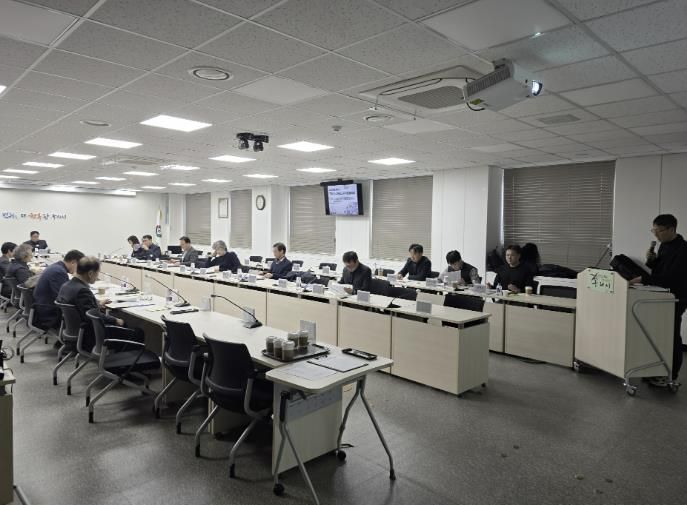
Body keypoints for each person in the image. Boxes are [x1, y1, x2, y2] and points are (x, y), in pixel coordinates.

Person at [631, 214, 687, 386]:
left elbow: (671, 278)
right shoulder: (663, 245)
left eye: (659, 231)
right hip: (659, 295)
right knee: (657, 334)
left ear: (671, 229)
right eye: (653, 230)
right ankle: (657, 370)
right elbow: (658, 270)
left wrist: (643, 279)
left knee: (671, 336)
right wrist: (651, 260)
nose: (656, 235)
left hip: (675, 298)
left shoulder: (683, 250)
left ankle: (671, 376)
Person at [56, 257, 127, 352]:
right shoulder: (82, 290)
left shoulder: (66, 285)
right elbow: (93, 316)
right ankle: (114, 358)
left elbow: (81, 309)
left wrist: (97, 305)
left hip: (75, 330)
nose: (97, 277)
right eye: (97, 273)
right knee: (136, 332)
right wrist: (115, 320)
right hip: (90, 336)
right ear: (90, 274)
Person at [33, 249, 85, 329]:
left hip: (42, 306)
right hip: (48, 313)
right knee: (86, 316)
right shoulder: (59, 272)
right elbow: (64, 298)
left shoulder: (56, 267)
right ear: (73, 262)